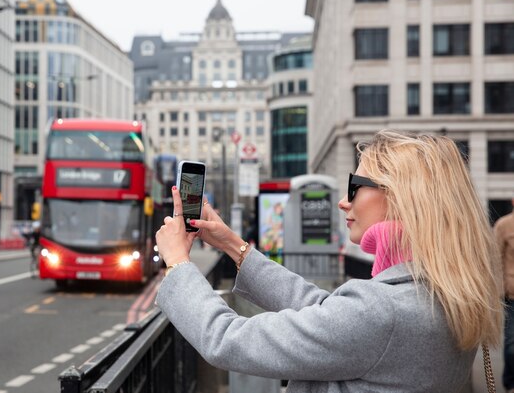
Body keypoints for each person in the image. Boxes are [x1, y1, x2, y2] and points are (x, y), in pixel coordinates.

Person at [155, 129, 503, 392]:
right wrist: (233, 245)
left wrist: (177, 263)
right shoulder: (440, 291)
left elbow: (227, 339)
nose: (342, 201)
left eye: (355, 185)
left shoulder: (384, 311)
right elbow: (328, 311)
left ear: (402, 198)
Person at [495, 198, 514, 393]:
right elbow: (496, 259)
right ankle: (510, 382)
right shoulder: (504, 225)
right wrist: (500, 290)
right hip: (511, 296)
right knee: (511, 345)